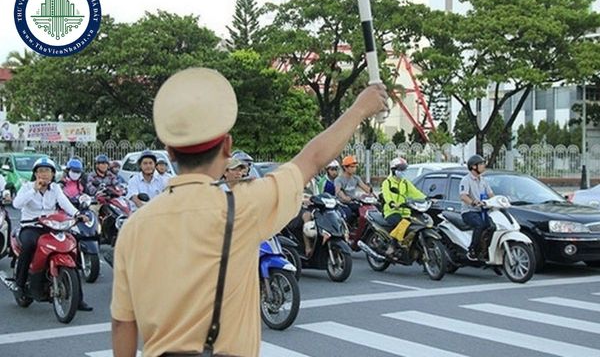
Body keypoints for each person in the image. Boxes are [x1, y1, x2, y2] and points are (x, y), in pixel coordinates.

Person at [111, 67, 387, 357]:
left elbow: (122, 324)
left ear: (169, 152)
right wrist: (360, 108)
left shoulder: (134, 227)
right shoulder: (244, 206)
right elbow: (313, 158)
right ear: (228, 146)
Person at [11, 157, 93, 311]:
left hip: (52, 226)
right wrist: (34, 189)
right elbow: (17, 204)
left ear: (53, 174)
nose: (44, 174)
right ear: (35, 174)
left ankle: (78, 299)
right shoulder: (27, 186)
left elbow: (64, 203)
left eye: (47, 171)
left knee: (73, 244)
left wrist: (77, 214)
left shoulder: (55, 188)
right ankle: (20, 284)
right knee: (29, 244)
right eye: (41, 171)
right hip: (31, 226)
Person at [380, 157, 426, 255]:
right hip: (391, 211)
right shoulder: (387, 183)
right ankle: (392, 245)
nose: (403, 172)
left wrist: (426, 198)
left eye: (404, 169)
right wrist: (392, 203)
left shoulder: (405, 183)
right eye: (401, 169)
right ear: (393, 170)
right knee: (402, 223)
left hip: (406, 211)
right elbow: (387, 196)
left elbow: (415, 193)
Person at [459, 154, 495, 261]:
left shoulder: (483, 180)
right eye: (481, 164)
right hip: (469, 211)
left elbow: (491, 194)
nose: (484, 166)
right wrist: (473, 202)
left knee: (492, 226)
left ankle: (485, 250)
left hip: (482, 211)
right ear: (474, 166)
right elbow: (463, 196)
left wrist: (498, 201)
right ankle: (472, 250)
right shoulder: (466, 180)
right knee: (479, 225)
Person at [335, 155, 372, 225]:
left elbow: (365, 188)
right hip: (342, 203)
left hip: (353, 202)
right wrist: (345, 198)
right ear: (345, 167)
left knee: (365, 212)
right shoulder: (339, 179)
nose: (354, 169)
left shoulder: (356, 178)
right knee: (348, 214)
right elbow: (338, 191)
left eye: (355, 167)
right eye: (352, 167)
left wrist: (372, 193)